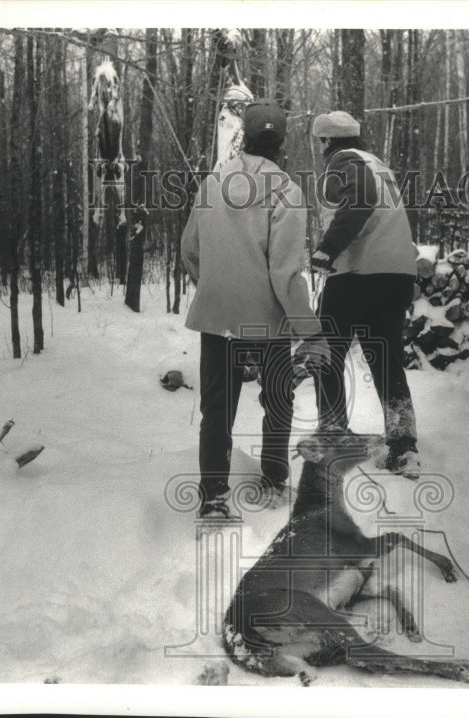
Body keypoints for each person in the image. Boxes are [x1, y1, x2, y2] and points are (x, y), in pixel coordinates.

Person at [182, 99, 328, 519]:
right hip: (266, 319)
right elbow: (285, 273)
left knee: (217, 408)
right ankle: (274, 480)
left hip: (218, 316)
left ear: (243, 135)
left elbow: (189, 250)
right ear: (282, 143)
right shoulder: (286, 190)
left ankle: (212, 499)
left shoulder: (214, 183)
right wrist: (310, 330)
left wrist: (212, 287)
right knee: (279, 400)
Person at [310, 110, 421, 479]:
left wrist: (327, 249)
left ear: (327, 142)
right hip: (396, 274)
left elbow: (361, 201)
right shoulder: (377, 163)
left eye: (319, 143)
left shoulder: (344, 162)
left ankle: (333, 432)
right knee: (387, 360)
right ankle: (404, 447)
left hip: (358, 273)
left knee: (326, 351)